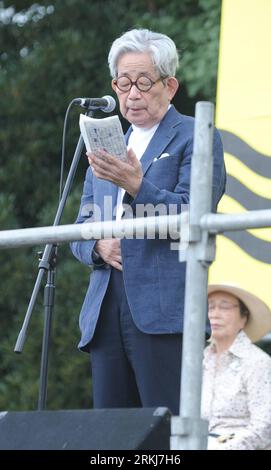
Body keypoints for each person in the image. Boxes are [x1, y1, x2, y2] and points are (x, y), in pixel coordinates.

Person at [71, 28, 226, 414]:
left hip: (164, 310)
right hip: (106, 311)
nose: (132, 94)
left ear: (169, 86)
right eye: (123, 84)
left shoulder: (195, 135)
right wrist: (96, 246)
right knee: (111, 435)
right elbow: (78, 225)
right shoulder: (105, 144)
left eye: (143, 82)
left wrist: (138, 186)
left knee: (165, 429)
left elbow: (194, 215)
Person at [202, 284, 271, 450]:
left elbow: (265, 427)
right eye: (210, 307)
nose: (215, 314)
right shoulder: (198, 361)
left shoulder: (258, 362)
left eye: (224, 307)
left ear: (244, 318)